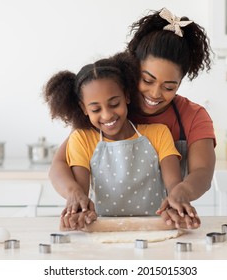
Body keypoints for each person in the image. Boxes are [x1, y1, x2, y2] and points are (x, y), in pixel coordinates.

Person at [49, 7, 216, 229]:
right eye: (147, 80)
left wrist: (181, 192)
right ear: (133, 70)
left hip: (163, 221)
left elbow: (203, 172)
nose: (155, 94)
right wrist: (74, 194)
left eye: (169, 87)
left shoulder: (192, 117)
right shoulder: (112, 106)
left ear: (180, 83)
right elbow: (61, 162)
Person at [43, 52, 183, 230]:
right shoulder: (82, 139)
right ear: (83, 108)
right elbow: (81, 194)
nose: (107, 115)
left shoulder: (159, 133)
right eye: (95, 109)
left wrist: (176, 202)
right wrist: (79, 211)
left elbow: (174, 186)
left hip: (155, 229)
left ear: (127, 96)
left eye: (114, 104)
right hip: (103, 229)